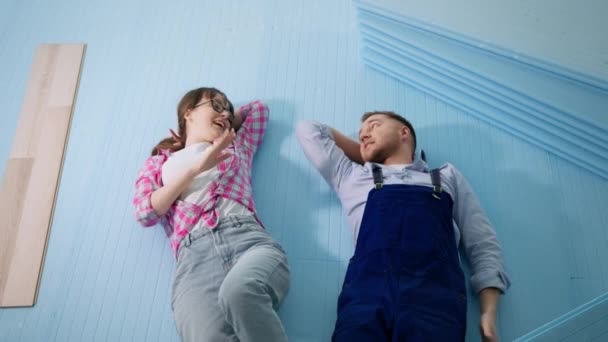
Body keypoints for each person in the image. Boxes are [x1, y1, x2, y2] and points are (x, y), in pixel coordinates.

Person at [296, 111, 510, 342]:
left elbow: (483, 244)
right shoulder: (351, 176)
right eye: (361, 135)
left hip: (436, 304)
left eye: (374, 126)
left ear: (404, 132)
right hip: (366, 299)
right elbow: (308, 129)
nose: (364, 135)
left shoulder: (446, 177)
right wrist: (365, 153)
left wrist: (489, 313)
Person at [133, 87, 290, 342]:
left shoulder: (238, 145)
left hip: (248, 241)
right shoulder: (158, 163)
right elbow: (144, 213)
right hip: (194, 263)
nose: (226, 113)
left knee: (240, 292)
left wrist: (224, 121)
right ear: (188, 113)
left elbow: (258, 110)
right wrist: (195, 165)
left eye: (228, 108)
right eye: (216, 105)